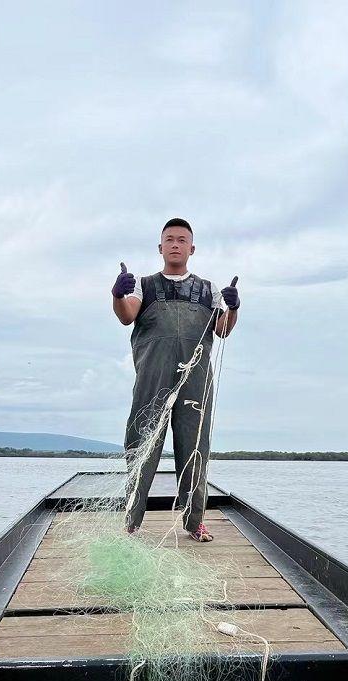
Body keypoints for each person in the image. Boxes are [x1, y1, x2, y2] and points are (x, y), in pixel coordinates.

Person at [112, 218, 239, 542]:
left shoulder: (208, 289)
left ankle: (194, 521)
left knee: (195, 448)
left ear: (191, 248)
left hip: (195, 379)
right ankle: (131, 519)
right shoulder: (144, 284)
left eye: (182, 240)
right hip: (153, 377)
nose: (175, 244)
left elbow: (222, 329)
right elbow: (128, 315)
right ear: (160, 247)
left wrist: (234, 306)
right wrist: (117, 295)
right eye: (169, 239)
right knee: (142, 444)